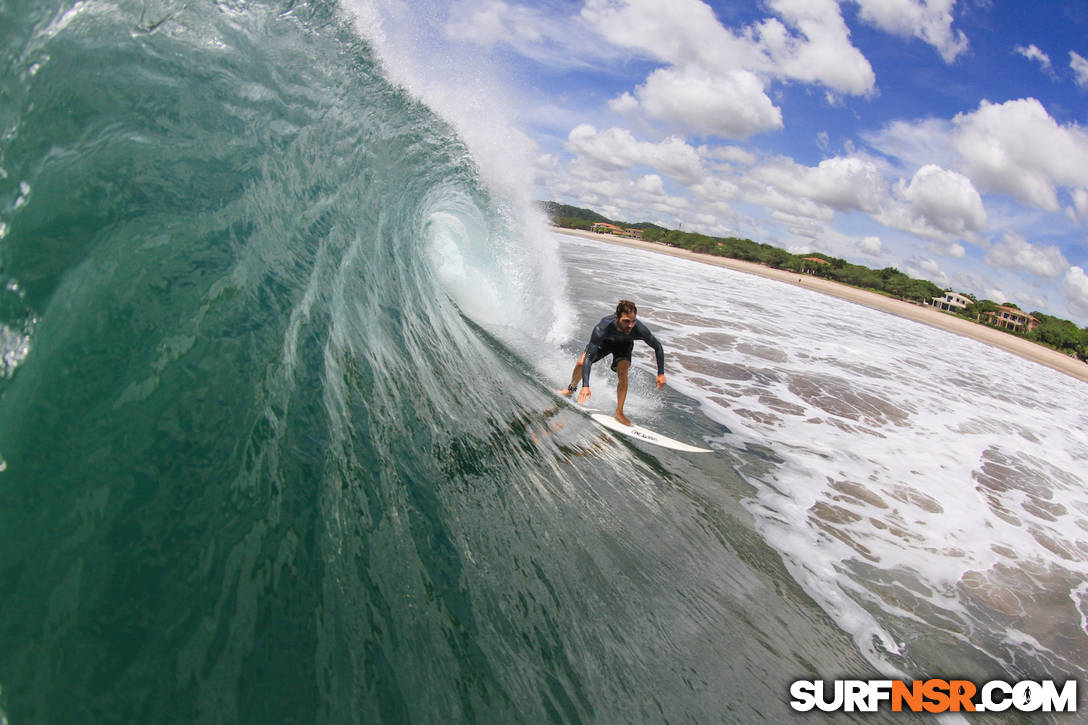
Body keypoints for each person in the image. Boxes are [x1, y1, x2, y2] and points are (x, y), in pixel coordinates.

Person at [557, 299, 666, 426]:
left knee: (623, 371)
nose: (631, 325)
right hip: (605, 344)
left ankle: (619, 412)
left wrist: (661, 373)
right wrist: (585, 386)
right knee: (581, 363)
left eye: (633, 321)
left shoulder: (639, 330)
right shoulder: (602, 328)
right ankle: (571, 389)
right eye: (626, 321)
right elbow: (589, 357)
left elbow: (658, 346)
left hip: (624, 347)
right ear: (616, 317)